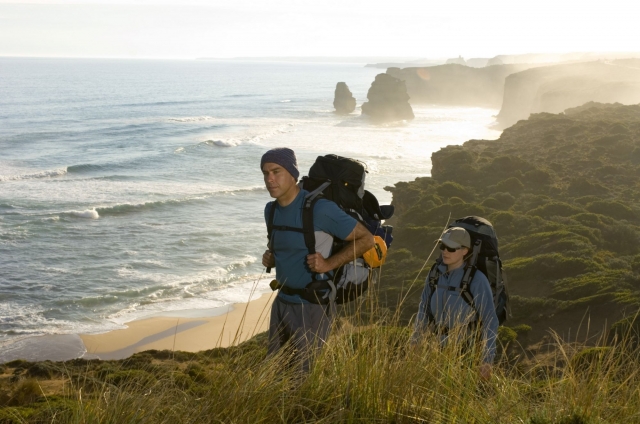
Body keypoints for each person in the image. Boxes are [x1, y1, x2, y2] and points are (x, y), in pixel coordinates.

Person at [260, 147, 374, 372]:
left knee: (304, 375)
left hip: (312, 305)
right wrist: (272, 259)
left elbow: (366, 239)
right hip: (281, 302)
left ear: (293, 174)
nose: (270, 179)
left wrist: (329, 264)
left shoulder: (320, 209)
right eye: (265, 173)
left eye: (276, 171)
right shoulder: (270, 211)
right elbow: (288, 247)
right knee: (274, 371)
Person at [412, 227, 498, 380]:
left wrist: (486, 361)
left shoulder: (477, 280)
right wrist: (415, 340)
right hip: (435, 350)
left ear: (465, 250)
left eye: (451, 248)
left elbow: (490, 320)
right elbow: (423, 308)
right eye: (442, 246)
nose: (445, 251)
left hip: (468, 353)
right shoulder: (435, 274)